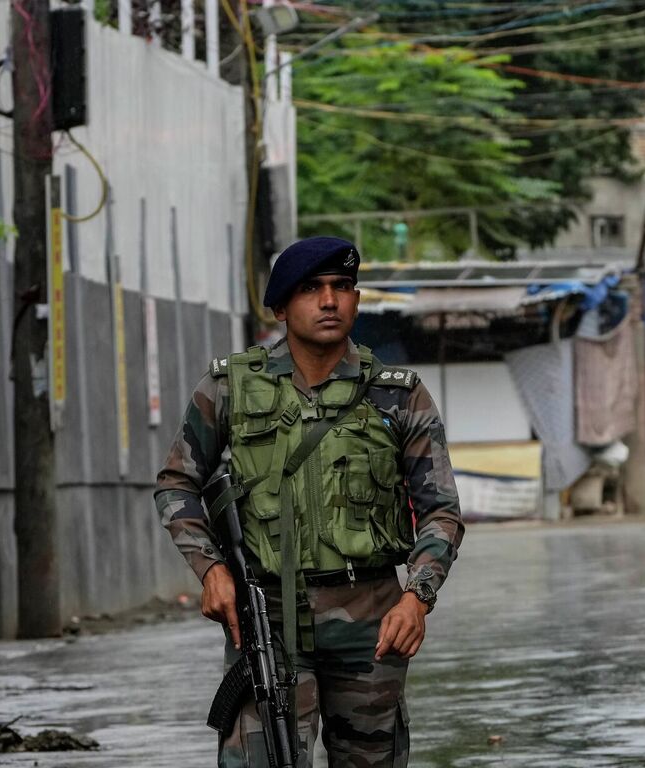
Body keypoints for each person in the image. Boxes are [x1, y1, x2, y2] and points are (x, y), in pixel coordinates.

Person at [156, 236, 464, 767]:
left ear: (356, 300)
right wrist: (210, 571)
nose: (329, 301)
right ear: (281, 307)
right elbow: (176, 483)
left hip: (372, 618)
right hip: (266, 615)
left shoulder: (398, 393)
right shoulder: (228, 386)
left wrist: (417, 597)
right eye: (312, 289)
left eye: (342, 287)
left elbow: (441, 511)